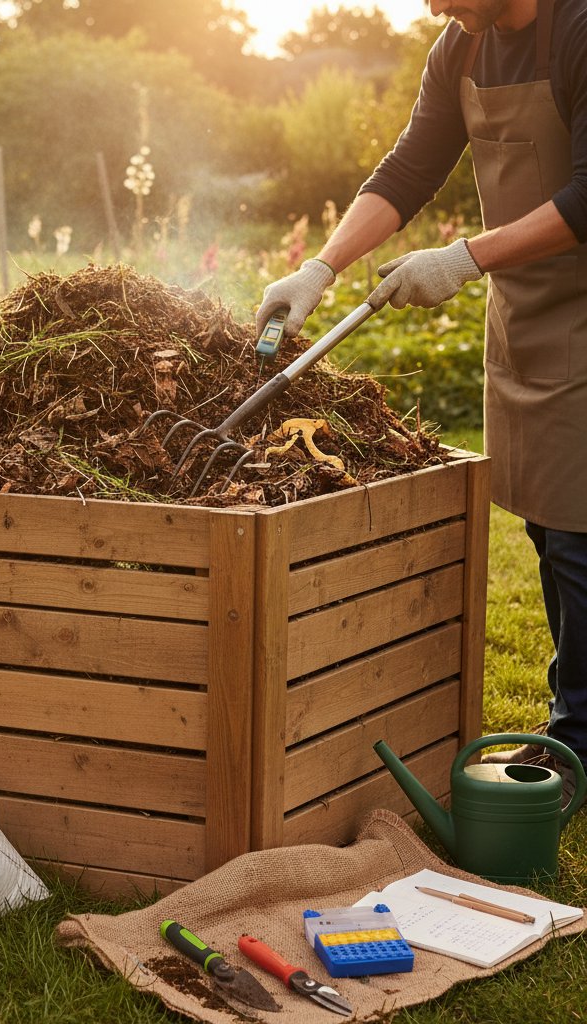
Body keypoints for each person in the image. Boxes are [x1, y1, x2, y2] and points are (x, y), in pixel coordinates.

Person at [255, 0, 587, 800]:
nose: (435, 5)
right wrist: (321, 270)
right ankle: (576, 722)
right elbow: (409, 170)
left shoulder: (579, 28)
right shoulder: (459, 48)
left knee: (581, 537)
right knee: (551, 524)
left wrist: (468, 256)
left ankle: (578, 740)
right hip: (531, 315)